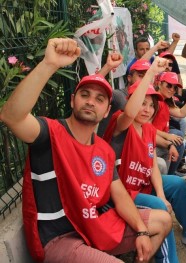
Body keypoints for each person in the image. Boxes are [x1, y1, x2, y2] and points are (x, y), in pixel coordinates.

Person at [0, 38, 171, 262]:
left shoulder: (104, 150)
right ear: (72, 101)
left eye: (99, 99)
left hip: (94, 226)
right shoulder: (49, 133)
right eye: (85, 95)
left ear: (107, 109)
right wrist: (49, 64)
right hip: (59, 239)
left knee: (164, 221)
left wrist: (140, 230)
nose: (91, 102)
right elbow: (11, 116)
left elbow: (119, 195)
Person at [103, 59, 186, 262]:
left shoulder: (148, 128)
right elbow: (129, 112)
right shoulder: (121, 123)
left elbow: (152, 165)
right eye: (141, 103)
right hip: (121, 194)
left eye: (150, 105)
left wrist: (161, 193)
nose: (146, 109)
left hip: (142, 185)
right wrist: (150, 74)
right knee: (158, 206)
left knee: (178, 185)